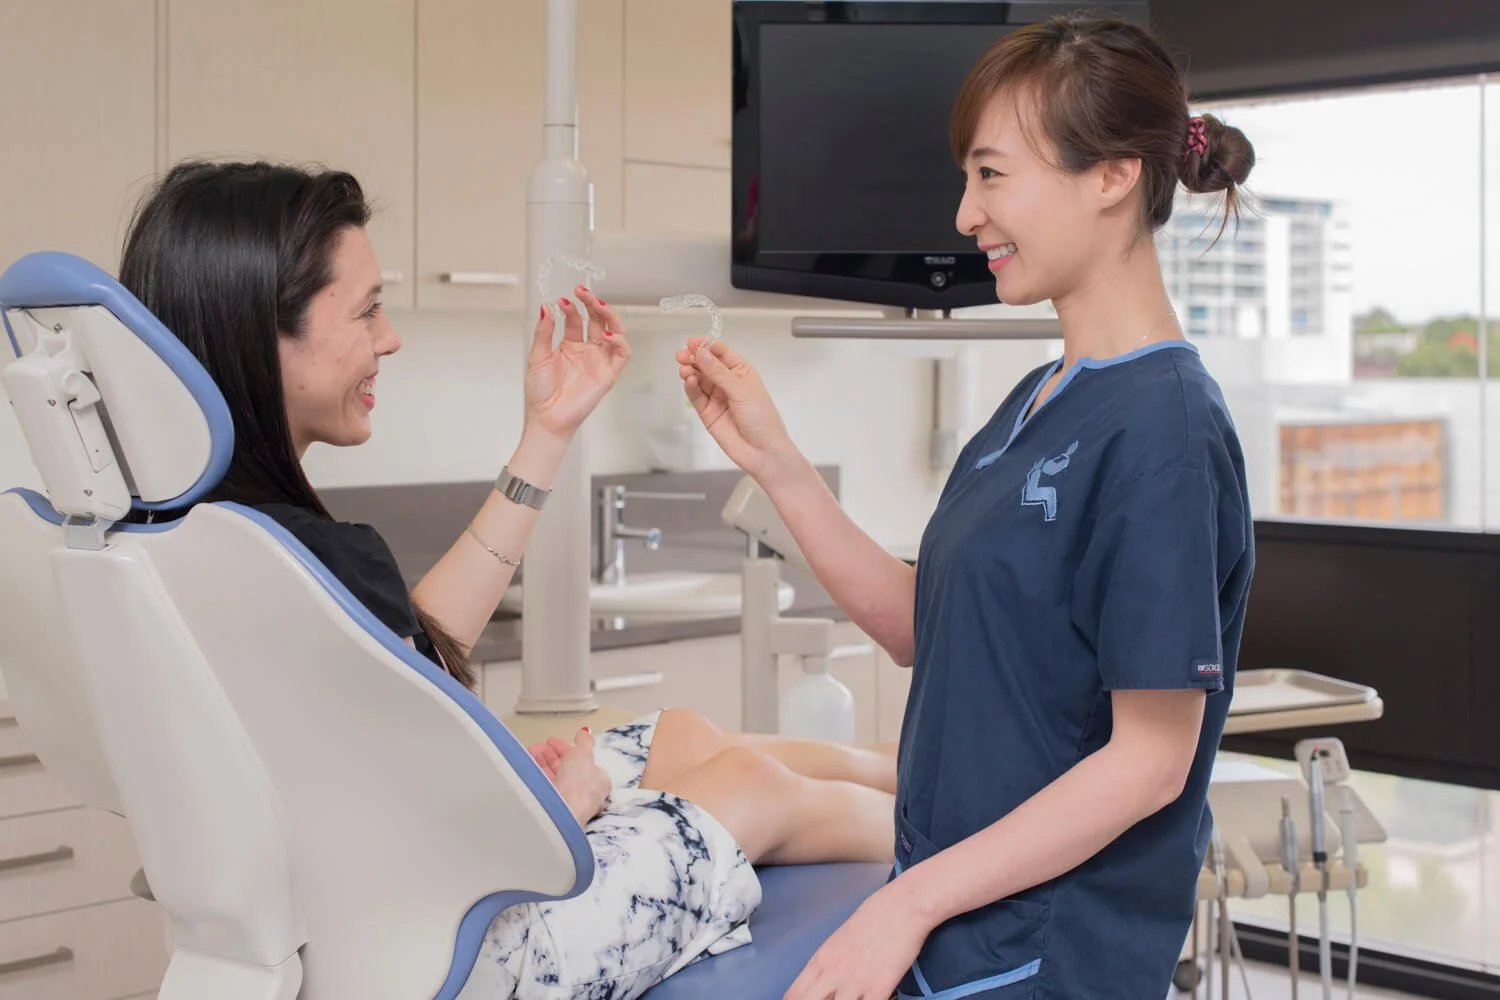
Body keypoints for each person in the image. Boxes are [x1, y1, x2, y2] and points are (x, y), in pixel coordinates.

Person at [115, 159, 898, 1000]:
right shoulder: (287, 555)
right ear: (258, 332)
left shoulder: (191, 537)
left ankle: (931, 766)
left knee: (682, 737)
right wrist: (555, 808)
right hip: (478, 951)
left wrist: (548, 430)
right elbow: (409, 821)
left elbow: (399, 665)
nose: (390, 337)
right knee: (747, 785)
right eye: (368, 309)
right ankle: (963, 832)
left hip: (372, 915)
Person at [678, 13, 1257, 1000]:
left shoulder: (1166, 429)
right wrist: (777, 463)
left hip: (1044, 960)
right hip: (957, 938)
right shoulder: (1034, 401)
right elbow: (924, 628)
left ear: (1112, 174)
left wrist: (902, 906)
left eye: (991, 175)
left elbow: (1150, 764)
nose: (963, 213)